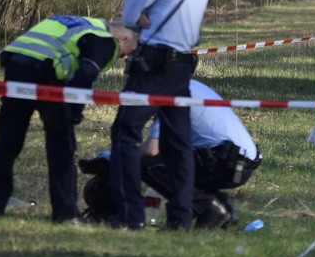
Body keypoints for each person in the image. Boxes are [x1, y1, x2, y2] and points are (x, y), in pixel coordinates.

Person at [109, 0, 212, 230]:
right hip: (183, 66)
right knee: (178, 143)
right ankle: (180, 219)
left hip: (152, 66)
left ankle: (130, 215)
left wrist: (139, 16)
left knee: (125, 134)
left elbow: (129, 15)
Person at [0, 16, 137, 222]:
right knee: (61, 146)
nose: (120, 58)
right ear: (123, 38)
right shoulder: (104, 38)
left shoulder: (71, 22)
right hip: (46, 75)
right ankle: (66, 215)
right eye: (124, 54)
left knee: (8, 143)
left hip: (16, 64)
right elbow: (86, 74)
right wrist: (74, 112)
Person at [79, 79, 261, 229]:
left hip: (225, 162)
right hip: (236, 161)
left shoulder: (166, 91)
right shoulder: (186, 84)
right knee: (168, 159)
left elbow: (152, 150)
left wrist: (114, 156)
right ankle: (219, 202)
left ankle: (209, 207)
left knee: (148, 163)